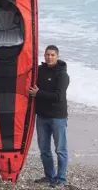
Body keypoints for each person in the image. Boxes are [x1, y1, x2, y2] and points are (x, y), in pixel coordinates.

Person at [29, 45, 70, 187]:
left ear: (57, 56)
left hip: (58, 117)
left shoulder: (62, 75)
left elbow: (59, 96)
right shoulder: (40, 71)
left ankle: (62, 179)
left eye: (52, 55)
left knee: (60, 149)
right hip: (42, 117)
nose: (49, 57)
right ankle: (50, 176)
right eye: (47, 55)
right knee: (44, 149)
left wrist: (38, 94)